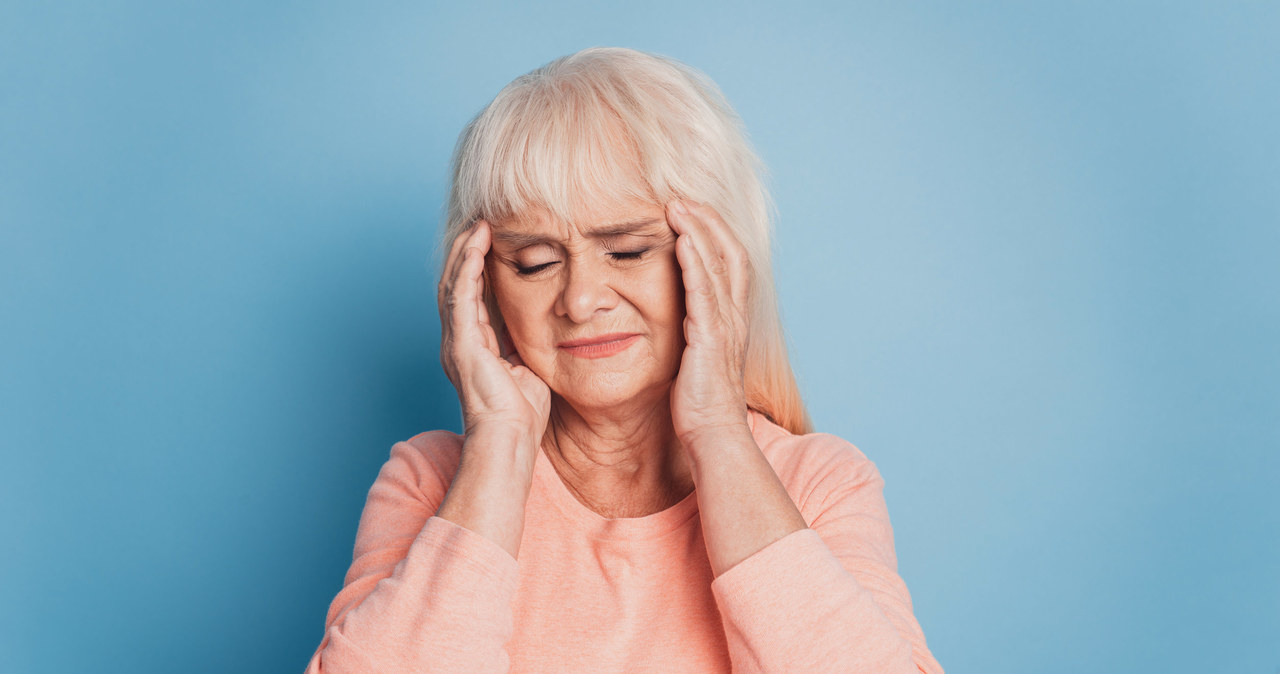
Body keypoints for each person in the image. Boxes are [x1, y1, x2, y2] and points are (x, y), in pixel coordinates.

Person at [305, 46, 943, 673]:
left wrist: (718, 433)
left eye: (629, 251)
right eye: (535, 262)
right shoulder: (430, 479)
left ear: (717, 261)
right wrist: (497, 449)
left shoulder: (821, 485)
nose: (580, 301)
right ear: (484, 285)